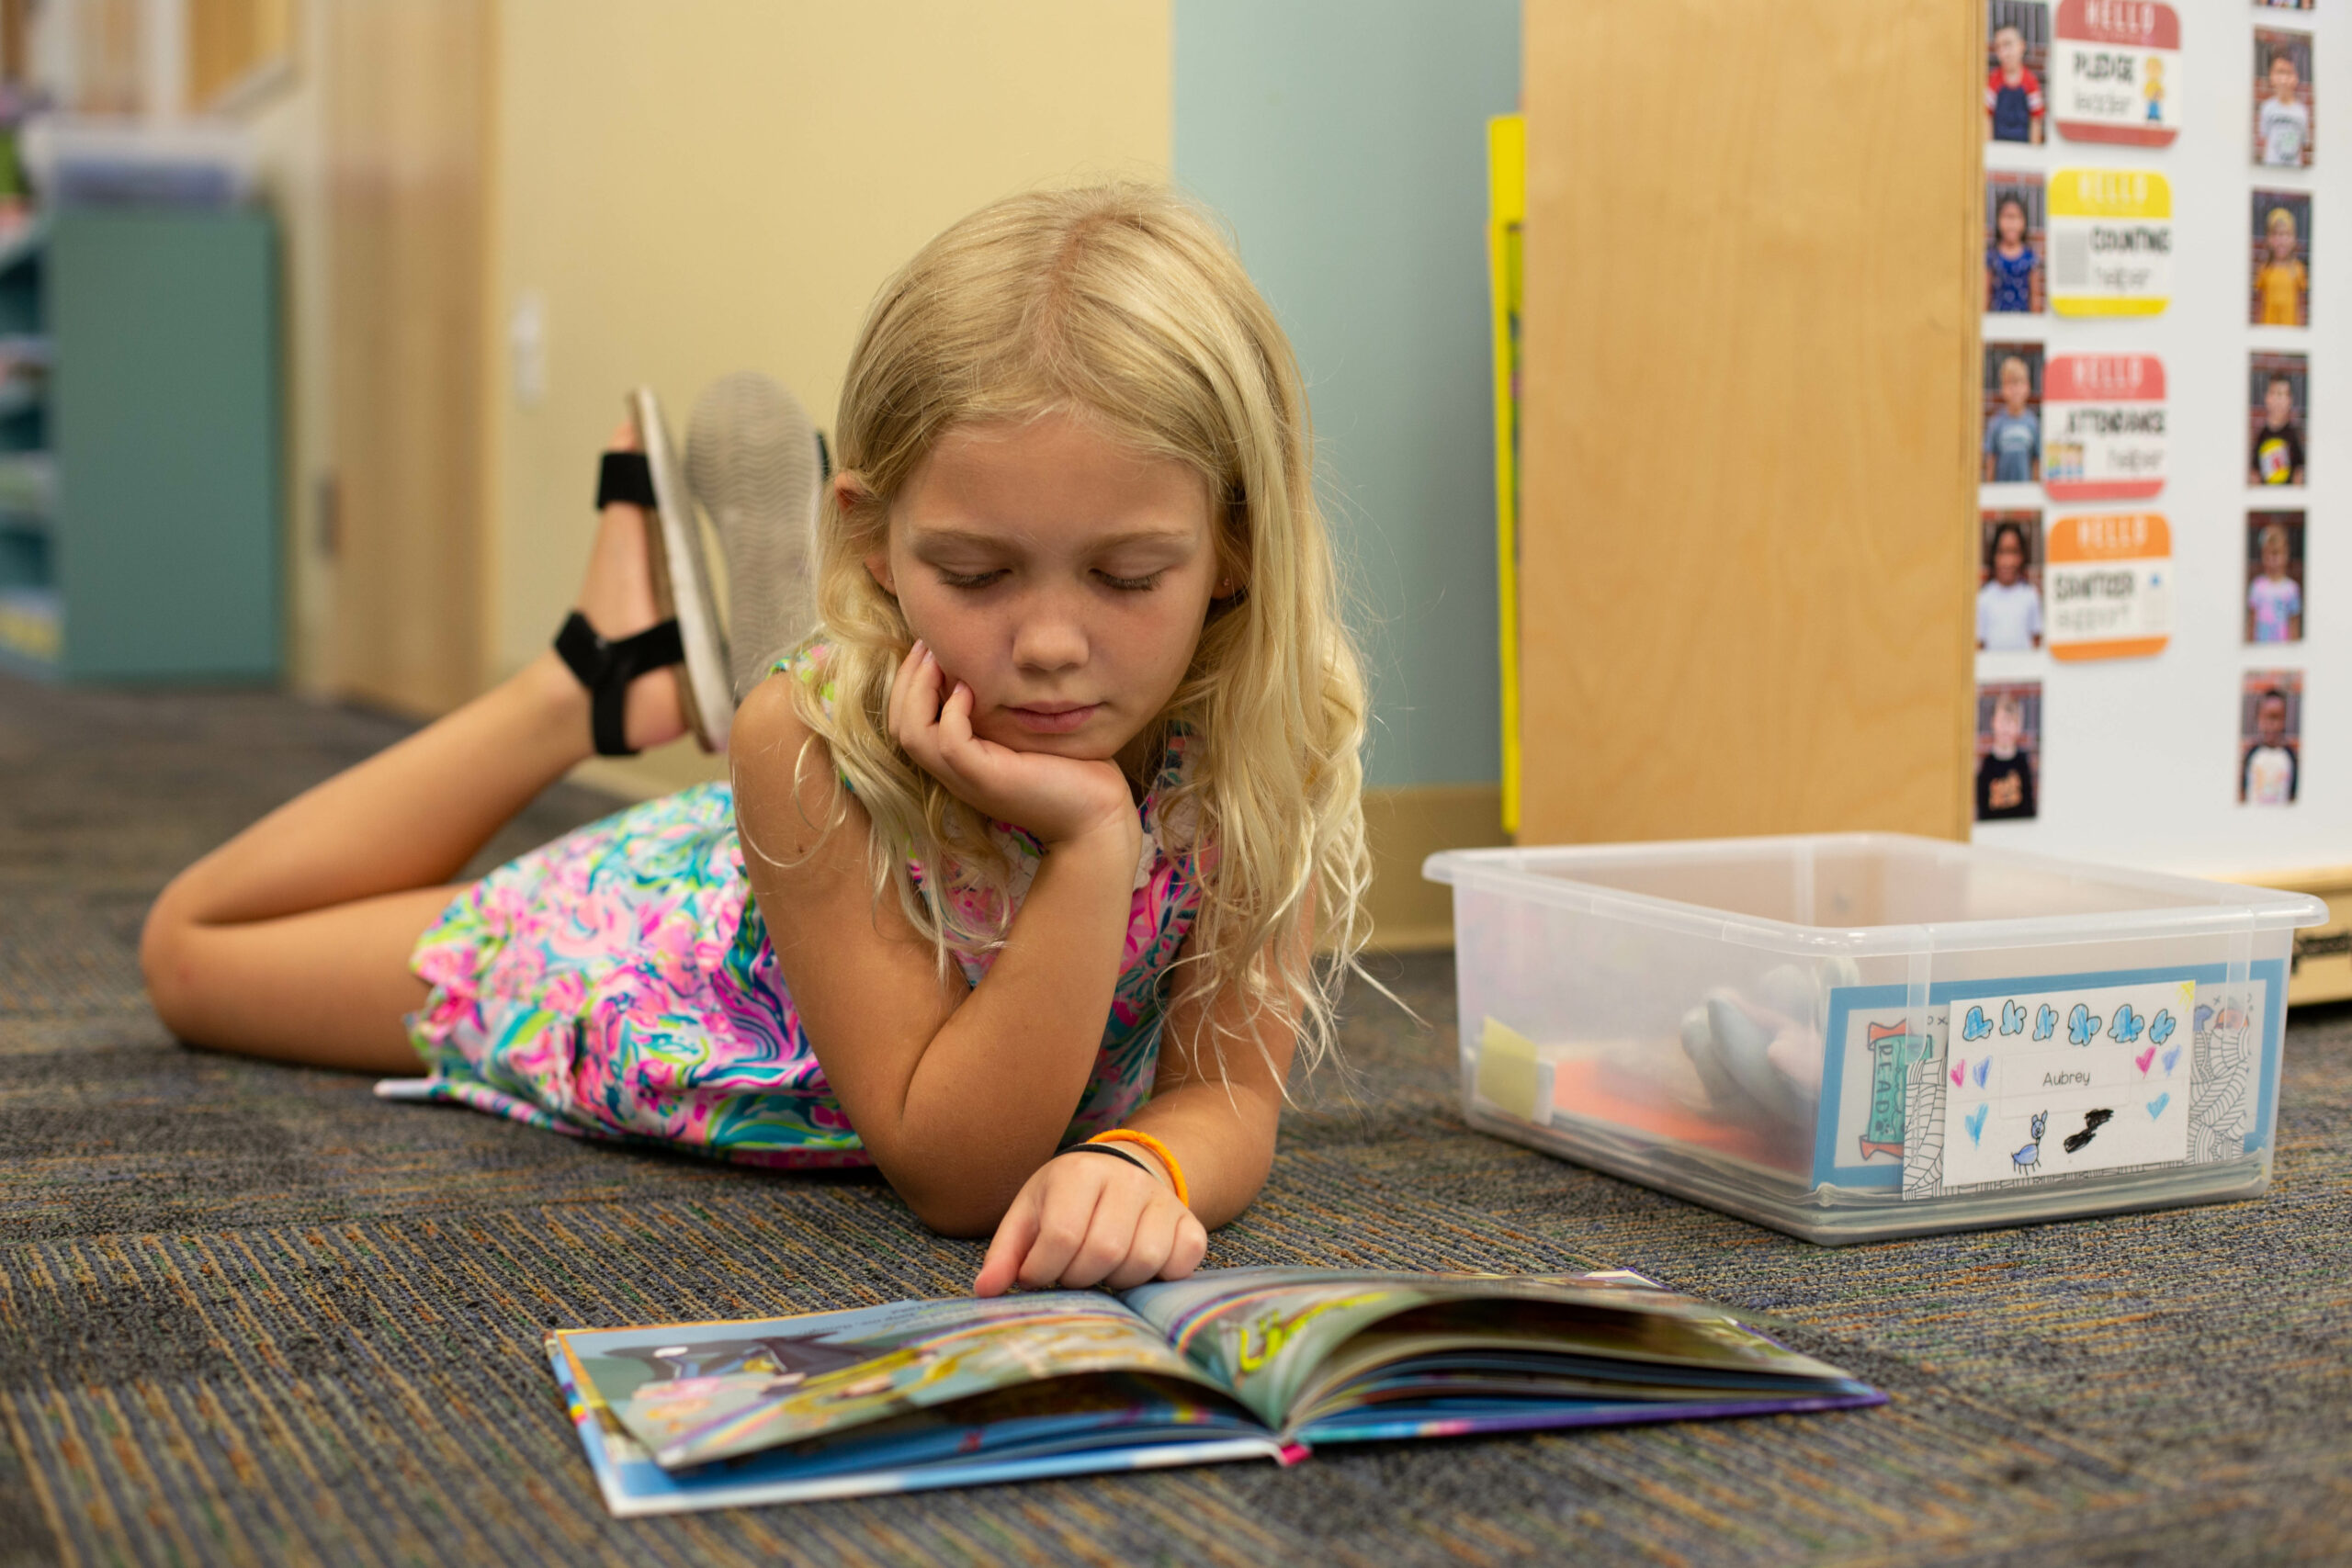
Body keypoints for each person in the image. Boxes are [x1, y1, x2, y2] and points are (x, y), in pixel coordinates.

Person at [138, 185, 1375, 1299]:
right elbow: (955, 1172)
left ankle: (658, 661)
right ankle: (582, 685)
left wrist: (1142, 1159)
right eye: (975, 570)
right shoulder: (804, 743)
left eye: (1124, 574)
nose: (1050, 642)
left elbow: (1224, 1095)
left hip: (810, 845)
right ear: (875, 541)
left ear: (1237, 546)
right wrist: (1095, 836)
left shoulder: (1266, 739)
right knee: (190, 955)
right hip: (676, 957)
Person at [1978, 522, 2042, 651]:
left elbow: (2037, 640)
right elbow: (1979, 644)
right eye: (2002, 552)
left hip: (2025, 669)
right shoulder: (1983, 598)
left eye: (2013, 552)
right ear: (1994, 557)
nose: (2008, 561)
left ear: (2022, 557)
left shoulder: (2030, 595)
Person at [1975, 691, 2037, 821]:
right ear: (1993, 723)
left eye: (2011, 723)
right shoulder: (1986, 765)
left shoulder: (2023, 763)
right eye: (2002, 722)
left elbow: (2029, 807)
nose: (2006, 729)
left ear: (2019, 727)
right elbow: (1982, 809)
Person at [1984, 355, 2040, 483]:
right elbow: (1991, 460)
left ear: (2027, 387)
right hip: (2001, 494)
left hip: (2024, 495)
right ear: (2003, 388)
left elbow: (2037, 461)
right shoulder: (1996, 423)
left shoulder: (2032, 423)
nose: (2015, 390)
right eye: (2010, 384)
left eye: (2019, 383)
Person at [1986, 24, 2044, 143]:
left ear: (2021, 46)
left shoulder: (2031, 82)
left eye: (2008, 45)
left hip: (2023, 153)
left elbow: (2036, 120)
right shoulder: (1993, 80)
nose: (2003, 53)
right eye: (1998, 47)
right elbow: (1986, 117)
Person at [2248, 522, 2304, 643]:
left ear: (2286, 554)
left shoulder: (2292, 589)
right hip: (2260, 651)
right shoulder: (2257, 586)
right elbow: (2251, 623)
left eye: (2276, 554)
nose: (2272, 561)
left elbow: (2294, 624)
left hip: (2283, 652)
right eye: (2268, 555)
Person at [2242, 689, 2299, 805]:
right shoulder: (2252, 755)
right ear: (2258, 720)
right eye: (2266, 718)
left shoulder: (2290, 757)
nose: (2271, 725)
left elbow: (2293, 797)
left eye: (2276, 718)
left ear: (2284, 720)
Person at [1985, 192, 2041, 314]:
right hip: (1997, 324)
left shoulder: (2030, 258)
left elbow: (2035, 299)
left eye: (2016, 217)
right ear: (1998, 221)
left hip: (2023, 326)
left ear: (2024, 222)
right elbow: (1985, 296)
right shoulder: (1992, 256)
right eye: (2007, 217)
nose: (2011, 224)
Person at [2255, 207, 2309, 326]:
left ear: (2293, 239)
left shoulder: (2298, 269)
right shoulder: (2264, 270)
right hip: (2268, 334)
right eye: (2276, 234)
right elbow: (2259, 305)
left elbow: (2301, 307)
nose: (2281, 240)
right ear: (2268, 239)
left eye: (2286, 234)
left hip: (2291, 335)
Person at [2250, 372, 2307, 485]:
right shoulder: (2260, 435)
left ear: (2290, 400)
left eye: (2283, 395)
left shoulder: (2295, 436)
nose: (2278, 401)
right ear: (2267, 398)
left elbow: (2299, 474)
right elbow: (2254, 474)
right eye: (2274, 394)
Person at [2259, 47, 2311, 166]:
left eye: (2288, 73)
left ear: (2296, 77)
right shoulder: (2267, 108)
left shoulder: (2302, 111)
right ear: (2271, 76)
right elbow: (2264, 142)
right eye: (2279, 72)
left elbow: (2302, 146)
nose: (2283, 79)